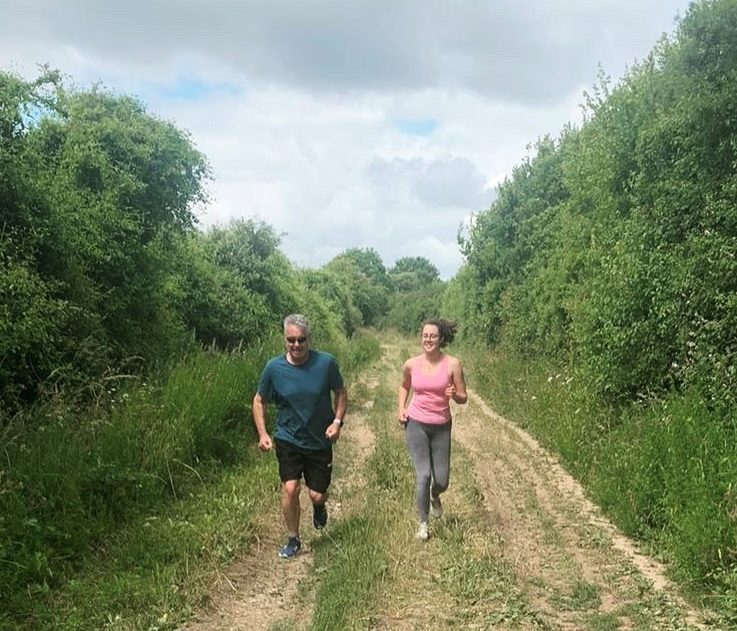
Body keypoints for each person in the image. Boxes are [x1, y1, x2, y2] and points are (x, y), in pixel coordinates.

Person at [252, 314, 347, 558]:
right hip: (288, 438)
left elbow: (340, 393)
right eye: (291, 340)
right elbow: (259, 400)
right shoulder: (274, 368)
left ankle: (318, 506)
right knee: (290, 488)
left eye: (301, 340)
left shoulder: (325, 364)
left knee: (317, 493)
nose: (296, 345)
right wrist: (262, 433)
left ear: (309, 339)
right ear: (284, 339)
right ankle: (293, 539)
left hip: (319, 439)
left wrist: (337, 423)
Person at [398, 318, 467, 541]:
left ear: (441, 339)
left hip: (441, 426)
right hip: (416, 422)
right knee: (423, 474)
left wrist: (454, 395)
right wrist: (401, 408)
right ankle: (423, 523)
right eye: (425, 336)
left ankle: (435, 495)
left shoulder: (453, 364)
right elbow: (404, 385)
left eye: (433, 336)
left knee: (442, 480)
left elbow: (463, 396)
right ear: (421, 338)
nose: (428, 339)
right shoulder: (411, 364)